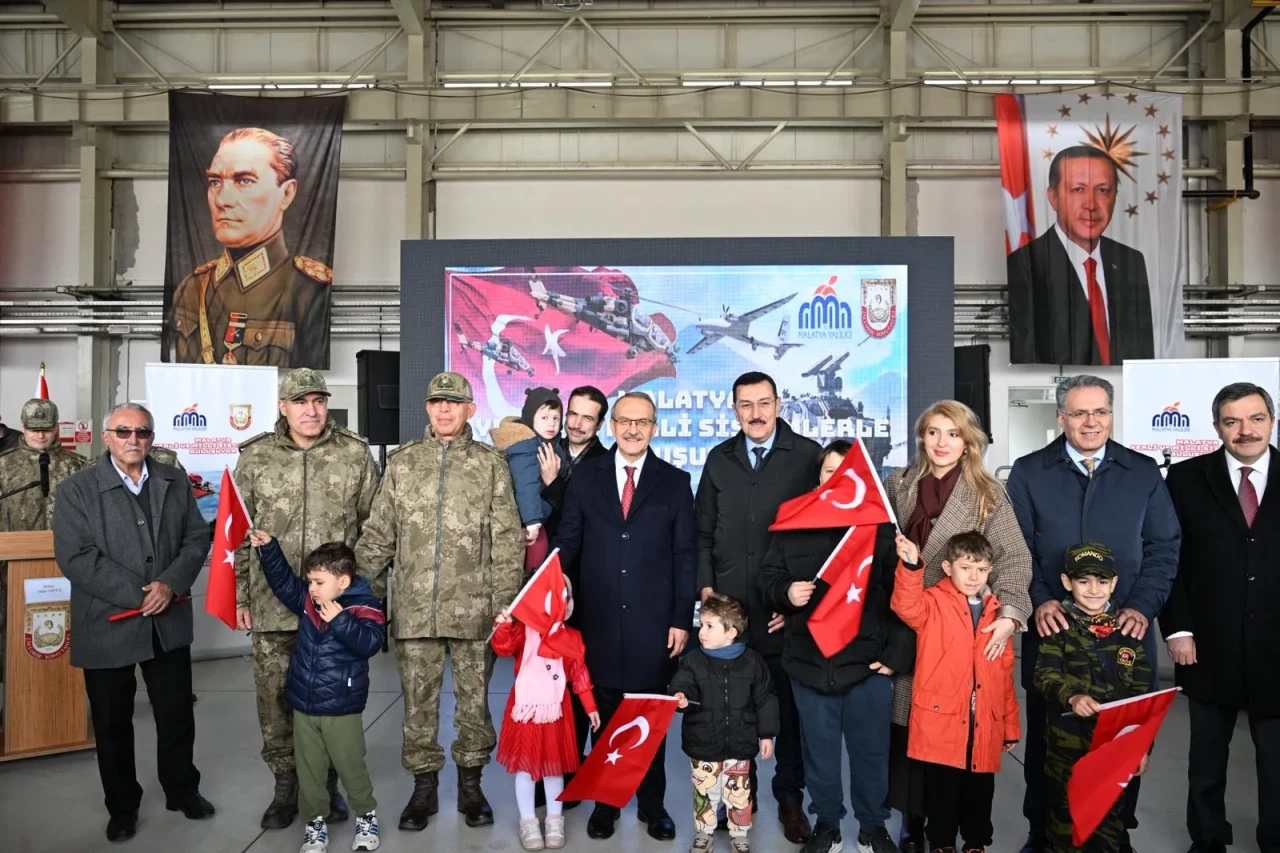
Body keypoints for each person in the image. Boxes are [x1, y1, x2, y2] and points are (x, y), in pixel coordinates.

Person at [1007, 375, 1180, 853]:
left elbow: (1164, 547)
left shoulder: (1142, 472)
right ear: (1060, 417)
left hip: (1124, 637)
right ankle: (1042, 834)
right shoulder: (1028, 471)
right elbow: (1016, 549)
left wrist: (1142, 606)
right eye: (1079, 413)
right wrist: (1042, 599)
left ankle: (1114, 832)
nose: (1091, 421)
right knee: (1048, 745)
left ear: (1111, 414)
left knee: (1121, 742)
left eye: (1100, 411)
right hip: (1055, 632)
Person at [355, 371, 524, 832]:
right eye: (436, 402)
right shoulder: (403, 464)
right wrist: (356, 596)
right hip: (414, 610)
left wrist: (505, 604)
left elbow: (508, 539)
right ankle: (423, 790)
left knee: (474, 706)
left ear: (470, 408)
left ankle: (472, 788)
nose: (444, 410)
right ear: (427, 408)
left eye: (454, 402)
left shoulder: (491, 464)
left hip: (475, 612)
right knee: (418, 705)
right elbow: (377, 536)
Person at [51, 403, 214, 842]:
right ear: (106, 436)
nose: (133, 439)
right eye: (124, 431)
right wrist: (143, 594)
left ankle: (182, 789)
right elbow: (77, 558)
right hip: (107, 623)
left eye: (142, 432)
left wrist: (171, 584)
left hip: (168, 621)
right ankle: (122, 808)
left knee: (176, 713)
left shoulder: (174, 480)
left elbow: (198, 538)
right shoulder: (76, 490)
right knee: (112, 722)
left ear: (152, 437)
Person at [235, 367, 381, 830]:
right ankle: (286, 788)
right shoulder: (255, 458)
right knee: (275, 700)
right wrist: (242, 593)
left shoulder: (354, 455)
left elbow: (374, 530)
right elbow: (238, 533)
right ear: (283, 407)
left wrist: (356, 597)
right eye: (301, 402)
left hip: (333, 611)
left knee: (332, 699)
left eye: (318, 400)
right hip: (273, 605)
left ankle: (330, 784)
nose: (312, 409)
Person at [884, 400, 1033, 853]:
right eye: (932, 432)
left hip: (956, 624)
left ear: (968, 441)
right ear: (921, 438)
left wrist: (1009, 616)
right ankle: (914, 819)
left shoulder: (988, 492)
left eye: (952, 433)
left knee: (953, 728)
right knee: (909, 722)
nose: (941, 442)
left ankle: (955, 830)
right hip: (907, 614)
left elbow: (1014, 558)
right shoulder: (899, 484)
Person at [758, 440, 916, 853]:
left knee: (870, 754)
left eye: (847, 472)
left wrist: (894, 655)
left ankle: (871, 827)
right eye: (830, 472)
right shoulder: (794, 520)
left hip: (867, 663)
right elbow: (767, 578)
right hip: (808, 662)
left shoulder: (883, 527)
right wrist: (784, 592)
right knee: (819, 755)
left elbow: (905, 598)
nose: (838, 480)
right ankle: (827, 824)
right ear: (819, 477)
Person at [554, 390, 696, 842]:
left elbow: (685, 556)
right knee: (603, 715)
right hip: (595, 621)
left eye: (643, 422)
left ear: (655, 428)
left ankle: (652, 807)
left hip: (654, 624)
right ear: (611, 426)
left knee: (647, 719)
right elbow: (569, 543)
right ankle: (606, 804)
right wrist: (554, 590)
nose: (633, 429)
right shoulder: (586, 478)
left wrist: (680, 619)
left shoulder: (675, 481)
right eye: (625, 421)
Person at [695, 371, 822, 844]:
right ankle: (733, 803)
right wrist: (706, 589)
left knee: (784, 714)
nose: (756, 413)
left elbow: (822, 538)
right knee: (730, 714)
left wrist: (795, 603)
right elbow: (703, 532)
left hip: (781, 613)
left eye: (764, 402)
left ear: (779, 403)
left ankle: (790, 800)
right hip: (728, 616)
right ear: (733, 410)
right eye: (745, 405)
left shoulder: (807, 457)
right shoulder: (719, 459)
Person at [1161, 382, 1280, 853]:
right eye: (1232, 421)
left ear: (1271, 421)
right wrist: (1178, 628)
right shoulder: (1187, 479)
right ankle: (1208, 837)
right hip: (1207, 645)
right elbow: (1171, 559)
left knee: (1276, 761)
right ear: (1216, 427)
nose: (1245, 430)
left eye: (1255, 419)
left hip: (1277, 647)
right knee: (1206, 758)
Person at [249, 532, 385, 853]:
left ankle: (366, 817)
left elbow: (369, 644)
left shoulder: (366, 605)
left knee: (351, 765)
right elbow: (284, 584)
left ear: (343, 581)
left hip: (342, 705)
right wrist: (269, 549)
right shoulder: (310, 600)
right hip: (305, 704)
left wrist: (340, 620)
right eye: (310, 581)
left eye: (319, 582)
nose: (312, 588)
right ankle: (315, 825)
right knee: (309, 769)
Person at [890, 530, 1020, 853]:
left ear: (991, 571)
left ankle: (975, 844)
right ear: (948, 568)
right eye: (966, 567)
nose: (974, 576)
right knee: (942, 793)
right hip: (942, 725)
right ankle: (942, 843)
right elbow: (905, 605)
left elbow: (1005, 676)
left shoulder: (997, 614)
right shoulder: (932, 602)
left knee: (979, 793)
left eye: (981, 569)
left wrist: (1010, 727)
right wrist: (910, 566)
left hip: (984, 726)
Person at [171, 126, 331, 368]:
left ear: (287, 193)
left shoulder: (308, 292)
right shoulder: (192, 290)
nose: (222, 200)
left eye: (244, 181)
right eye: (215, 181)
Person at [1035, 543, 1155, 853]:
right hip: (1067, 752)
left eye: (1102, 582)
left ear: (1114, 584)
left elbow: (1141, 700)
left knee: (1108, 826)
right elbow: (1044, 675)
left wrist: (1141, 748)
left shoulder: (1128, 633)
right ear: (1066, 582)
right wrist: (1072, 696)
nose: (1093, 590)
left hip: (1113, 751)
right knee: (1065, 827)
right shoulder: (1057, 627)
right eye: (1083, 581)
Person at [533, 384, 610, 811]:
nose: (577, 423)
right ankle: (557, 768)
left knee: (586, 682)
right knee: (551, 685)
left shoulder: (607, 462)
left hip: (592, 588)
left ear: (600, 424)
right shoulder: (544, 448)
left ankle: (587, 769)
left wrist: (555, 486)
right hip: (549, 587)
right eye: (573, 414)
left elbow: (587, 523)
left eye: (587, 417)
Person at [1007, 145, 1154, 366]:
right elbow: (1025, 356)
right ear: (1053, 197)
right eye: (1078, 189)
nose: (1091, 205)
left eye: (1103, 190)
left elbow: (1142, 353)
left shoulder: (1130, 262)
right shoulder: (1026, 263)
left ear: (1115, 197)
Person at [491, 580, 601, 851]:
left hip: (556, 710)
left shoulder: (570, 637)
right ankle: (528, 820)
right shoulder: (521, 632)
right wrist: (503, 625)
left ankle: (554, 818)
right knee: (526, 769)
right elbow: (502, 647)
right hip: (526, 710)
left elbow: (579, 673)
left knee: (555, 768)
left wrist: (590, 706)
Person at [669, 594, 780, 853]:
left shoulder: (753, 662)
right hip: (703, 743)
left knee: (739, 795)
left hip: (740, 742)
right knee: (704, 794)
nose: (701, 632)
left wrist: (766, 734)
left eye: (710, 626)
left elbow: (766, 699)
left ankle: (739, 833)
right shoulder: (693, 660)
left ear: (731, 632)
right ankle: (704, 833)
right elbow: (681, 682)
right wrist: (680, 696)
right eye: (702, 624)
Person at [0, 398, 88, 687]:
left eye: (47, 429)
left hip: (69, 570)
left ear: (56, 428)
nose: (40, 435)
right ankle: (15, 703)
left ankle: (65, 700)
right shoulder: (4, 466)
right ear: (22, 427)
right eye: (34, 429)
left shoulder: (79, 467)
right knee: (14, 637)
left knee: (68, 635)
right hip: (11, 573)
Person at [489, 387, 569, 571]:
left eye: (556, 418)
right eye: (544, 418)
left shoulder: (550, 444)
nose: (551, 424)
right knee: (534, 570)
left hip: (541, 518)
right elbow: (526, 485)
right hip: (529, 524)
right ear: (530, 417)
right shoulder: (527, 447)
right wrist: (532, 522)